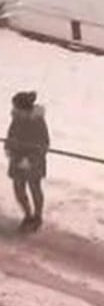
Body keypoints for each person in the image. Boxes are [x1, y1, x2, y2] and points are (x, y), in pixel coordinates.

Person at [5, 91, 50, 232]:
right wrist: (9, 148)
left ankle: (37, 216)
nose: (15, 110)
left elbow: (44, 143)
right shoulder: (17, 117)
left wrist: (30, 159)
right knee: (18, 188)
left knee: (34, 187)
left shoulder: (37, 121)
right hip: (17, 158)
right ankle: (27, 215)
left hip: (33, 161)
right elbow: (11, 134)